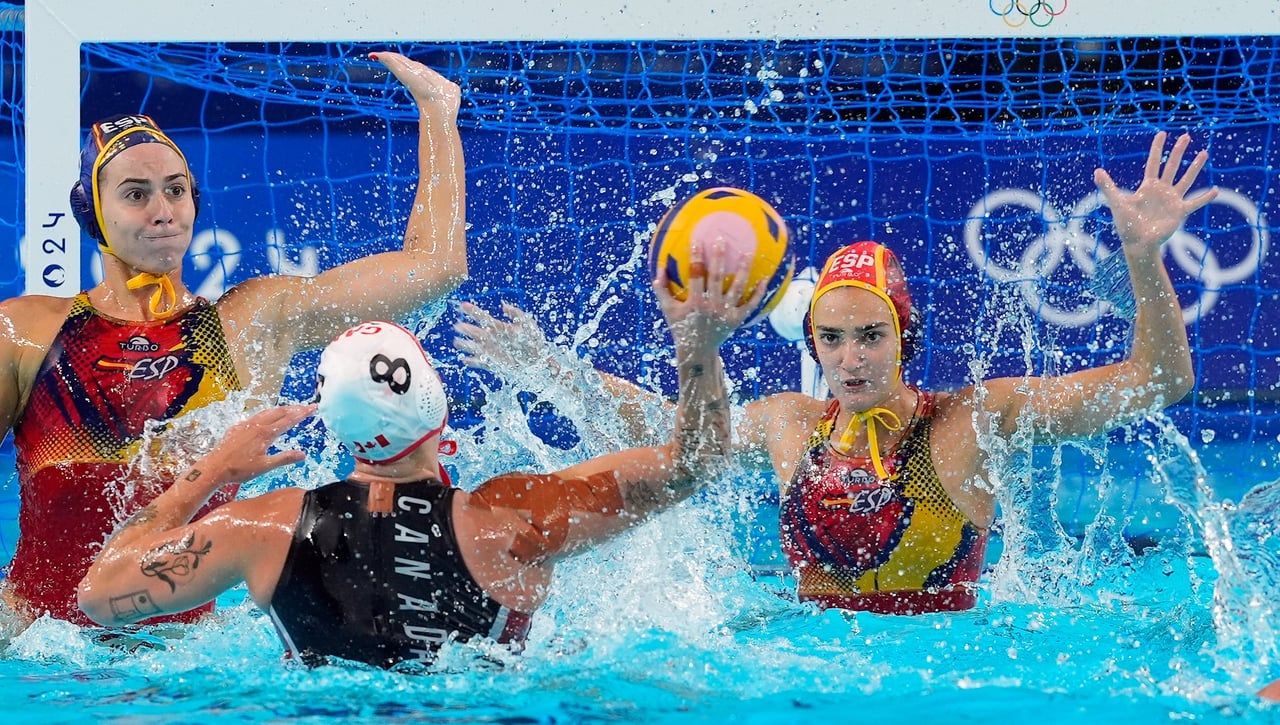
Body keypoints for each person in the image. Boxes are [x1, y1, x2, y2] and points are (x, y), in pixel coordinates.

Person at [453, 131, 1217, 615]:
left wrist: (1144, 257)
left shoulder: (975, 419)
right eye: (832, 338)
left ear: (903, 334)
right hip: (808, 660)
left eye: (870, 335)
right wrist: (554, 372)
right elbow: (667, 434)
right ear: (812, 343)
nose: (851, 358)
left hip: (946, 674)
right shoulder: (790, 423)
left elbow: (1157, 381)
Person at [76, 247, 756, 668]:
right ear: (439, 415)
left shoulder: (262, 529)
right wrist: (698, 346)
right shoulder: (510, 520)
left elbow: (99, 594)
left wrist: (214, 471)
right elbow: (695, 463)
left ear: (336, 429)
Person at [0, 52, 468, 627]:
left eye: (176, 190)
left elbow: (435, 266)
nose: (163, 210)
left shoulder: (248, 323)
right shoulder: (27, 332)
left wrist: (438, 112)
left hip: (180, 661)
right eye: (136, 193)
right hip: (32, 649)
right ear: (92, 211)